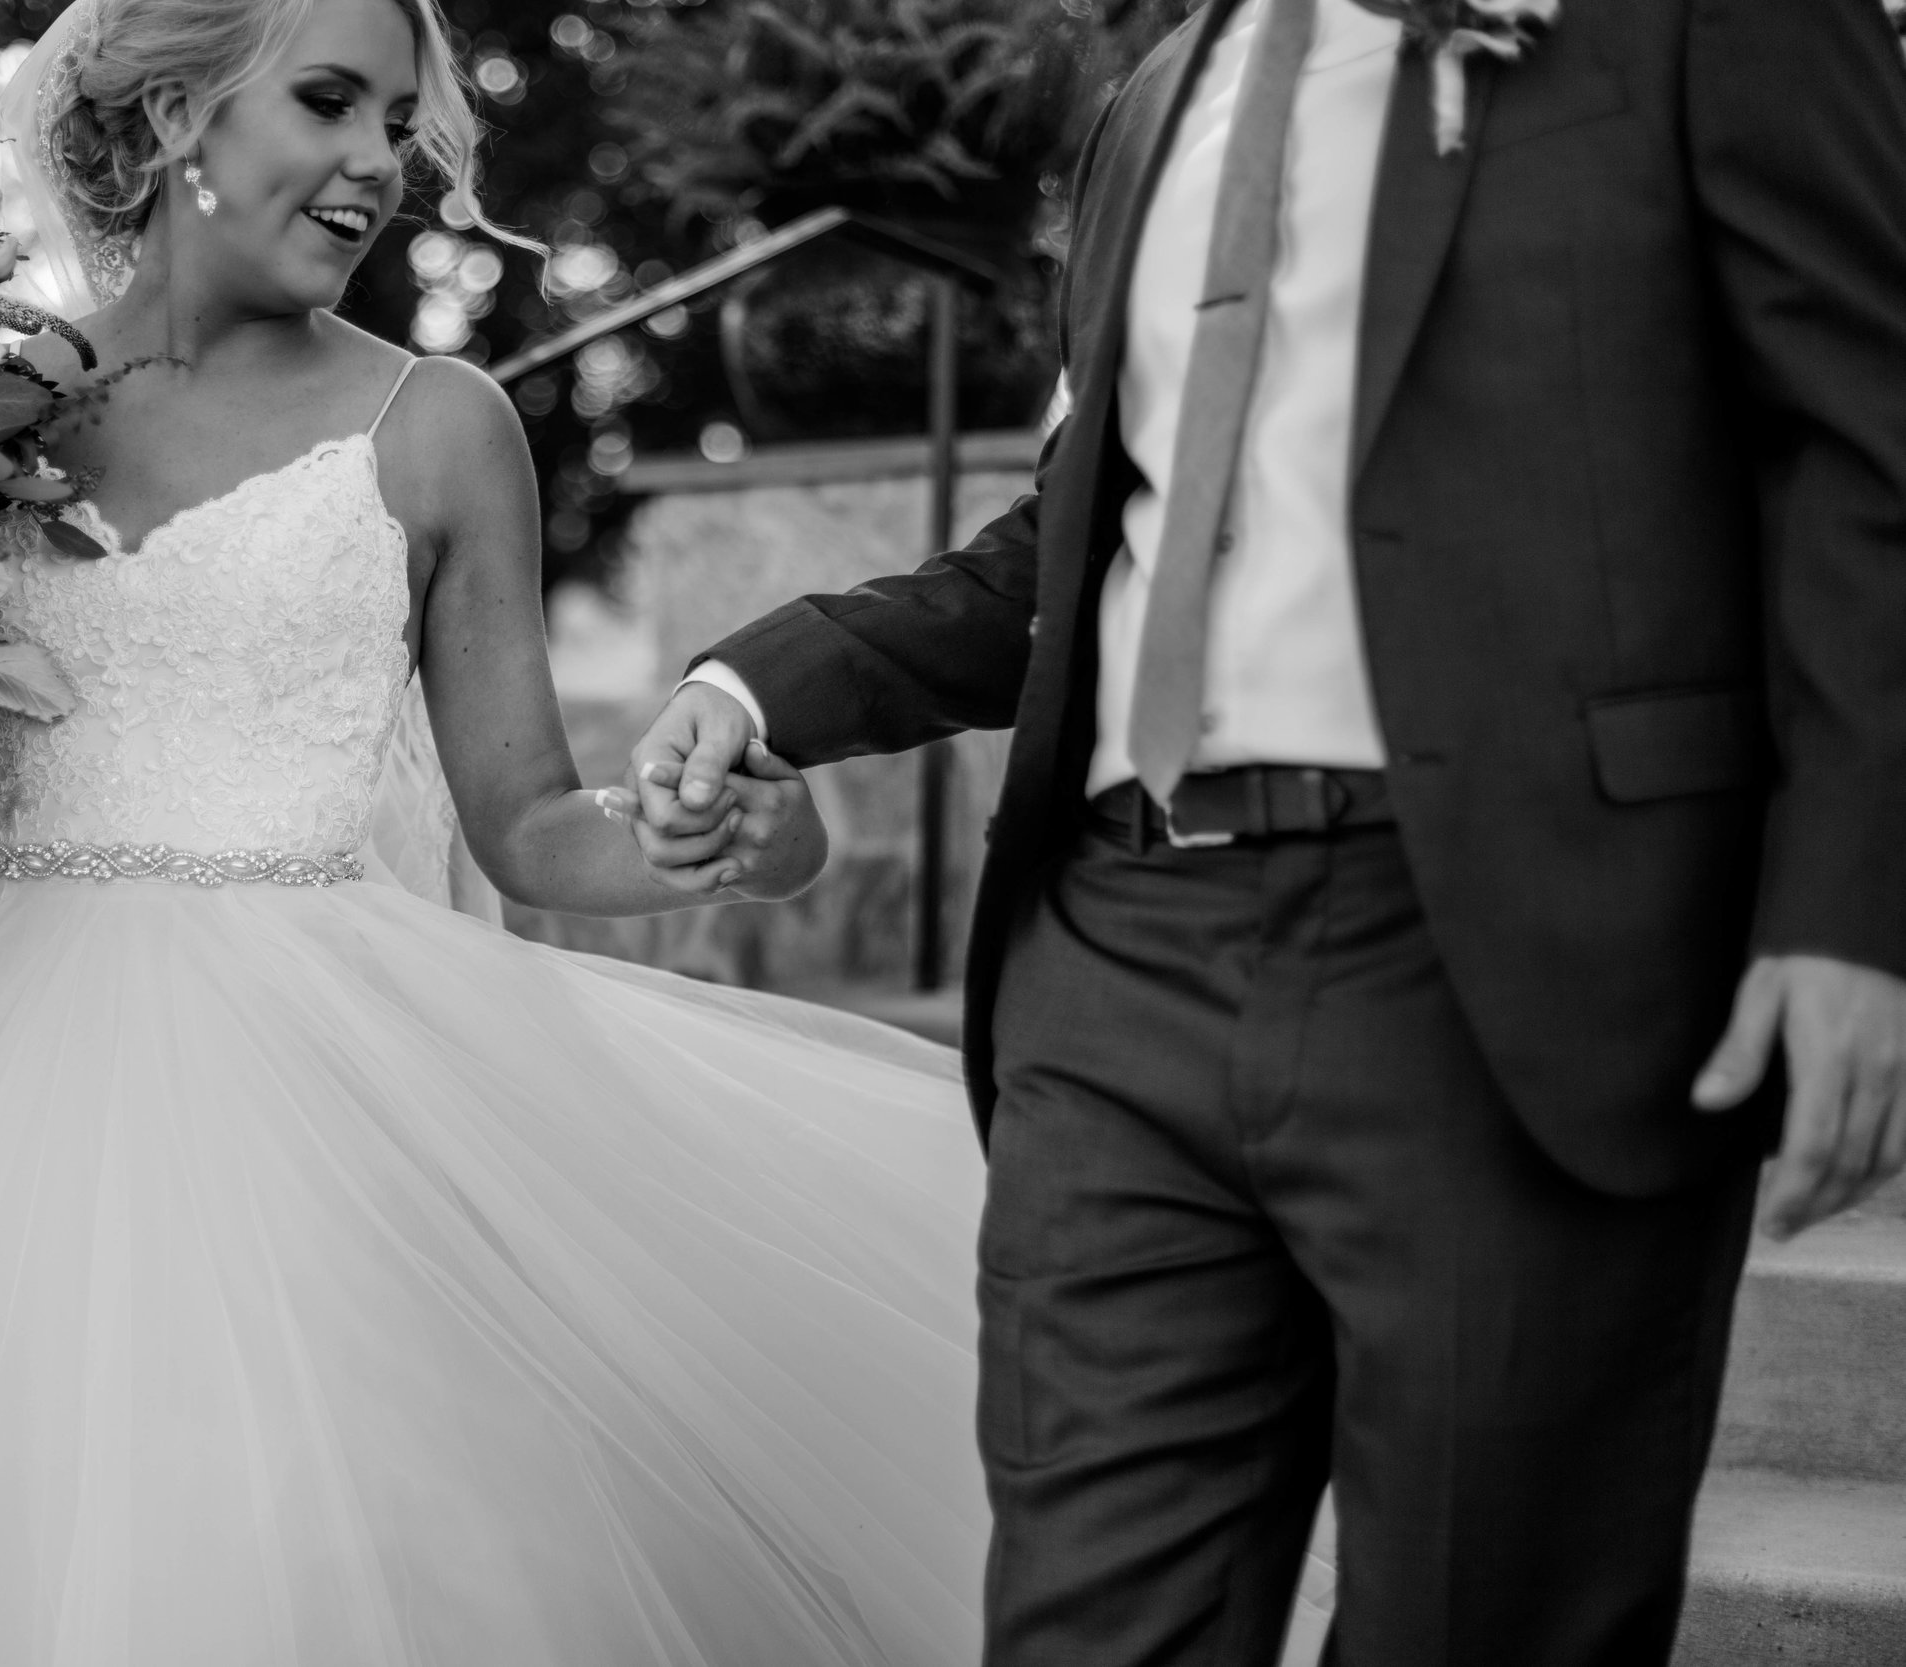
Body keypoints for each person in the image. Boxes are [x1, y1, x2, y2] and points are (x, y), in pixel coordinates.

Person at [620, 0, 1906, 1662]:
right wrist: (764, 683)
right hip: (1114, 967)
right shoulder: (1162, 95)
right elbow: (1081, 538)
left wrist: (1856, 911)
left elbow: (1871, 454)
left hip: (1515, 968)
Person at [0, 0, 999, 1659]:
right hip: (5, 1065)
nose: (376, 163)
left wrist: (730, 842)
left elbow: (534, 823)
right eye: (328, 103)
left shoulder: (438, 424)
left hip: (326, 1083)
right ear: (177, 114)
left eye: (395, 121)